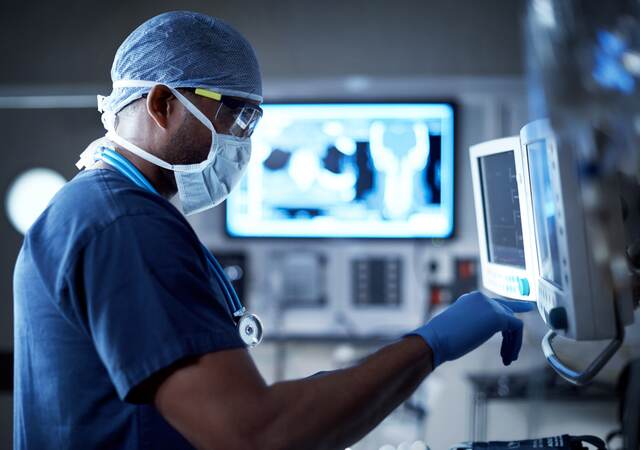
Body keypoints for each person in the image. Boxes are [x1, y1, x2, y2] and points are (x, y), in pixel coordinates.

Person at [13, 11, 534, 450]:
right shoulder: (126, 225)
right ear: (162, 104)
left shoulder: (92, 209)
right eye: (237, 117)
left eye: (254, 122)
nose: (245, 142)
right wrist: (432, 344)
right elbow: (256, 435)